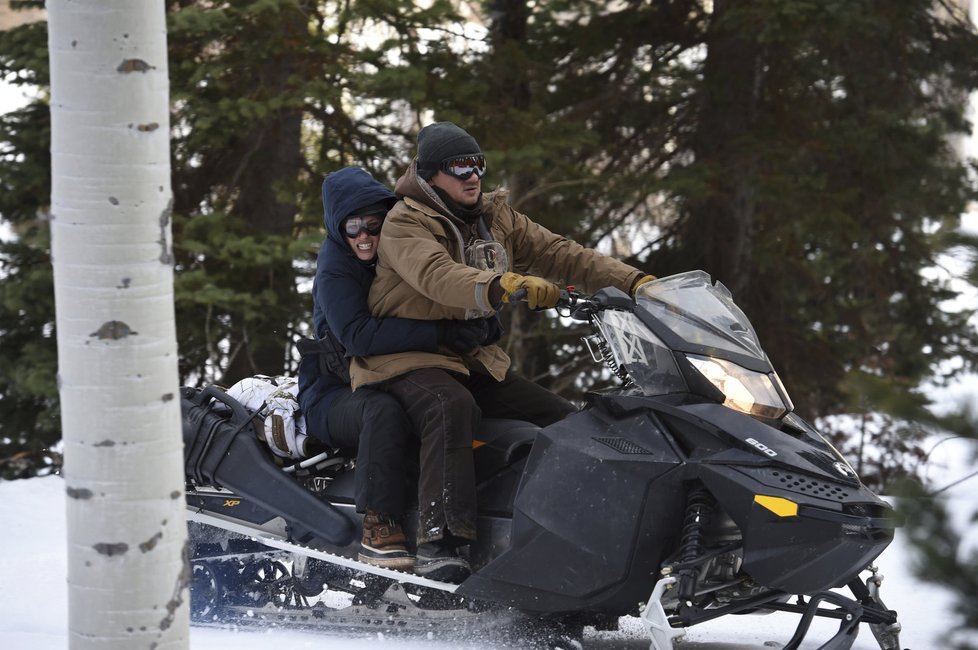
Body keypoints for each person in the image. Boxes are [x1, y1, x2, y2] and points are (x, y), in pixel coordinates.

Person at [352, 121, 655, 583]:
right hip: (404, 359)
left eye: (478, 164)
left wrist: (635, 282)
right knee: (450, 405)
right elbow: (438, 276)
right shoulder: (405, 221)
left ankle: (571, 537)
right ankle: (442, 544)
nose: (472, 176)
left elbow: (560, 253)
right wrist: (501, 284)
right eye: (459, 167)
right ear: (431, 175)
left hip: (470, 358)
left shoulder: (496, 216)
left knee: (567, 421)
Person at [297, 166, 494, 572]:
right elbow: (357, 336)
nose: (365, 236)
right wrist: (441, 335)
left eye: (375, 223)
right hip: (335, 391)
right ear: (338, 229)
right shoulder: (336, 267)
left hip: (386, 375)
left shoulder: (403, 248)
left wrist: (480, 320)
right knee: (385, 414)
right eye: (353, 228)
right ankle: (378, 524)